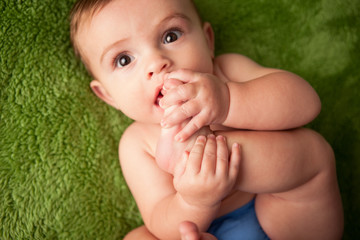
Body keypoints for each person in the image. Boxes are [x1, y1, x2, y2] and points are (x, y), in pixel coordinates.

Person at [69, 0, 344, 239]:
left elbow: (307, 104)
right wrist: (194, 200)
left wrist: (229, 101)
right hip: (203, 231)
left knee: (313, 151)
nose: (157, 62)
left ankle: (199, 156)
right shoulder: (137, 143)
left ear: (208, 41)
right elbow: (161, 220)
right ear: (107, 96)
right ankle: (202, 163)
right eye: (124, 60)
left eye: (170, 36)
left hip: (284, 219)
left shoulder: (228, 73)